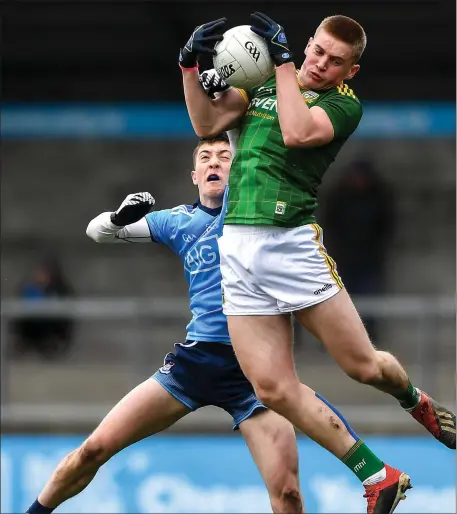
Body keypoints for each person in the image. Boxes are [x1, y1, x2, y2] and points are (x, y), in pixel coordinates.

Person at [179, 12, 456, 514]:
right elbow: (206, 123)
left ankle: (414, 399)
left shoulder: (344, 106)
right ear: (307, 44)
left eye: (335, 62)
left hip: (290, 247)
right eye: (316, 52)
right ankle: (378, 475)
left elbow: (297, 131)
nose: (320, 64)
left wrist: (283, 65)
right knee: (271, 388)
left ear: (350, 72)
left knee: (363, 366)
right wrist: (190, 68)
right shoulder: (263, 85)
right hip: (237, 251)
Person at [26, 133, 305, 514]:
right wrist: (118, 218)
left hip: (255, 371)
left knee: (288, 494)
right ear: (194, 175)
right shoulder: (178, 221)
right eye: (205, 157)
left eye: (225, 156)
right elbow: (97, 232)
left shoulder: (255, 209)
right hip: (197, 362)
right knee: (93, 450)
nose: (214, 162)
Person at [321, 159, 395, 340]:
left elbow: (386, 226)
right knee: (340, 300)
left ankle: (369, 337)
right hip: (343, 258)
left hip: (369, 259)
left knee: (369, 299)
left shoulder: (378, 197)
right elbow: (329, 226)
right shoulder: (338, 198)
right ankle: (340, 337)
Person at [13, 256, 75, 359]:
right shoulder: (32, 287)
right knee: (23, 318)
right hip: (35, 320)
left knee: (49, 320)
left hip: (53, 322)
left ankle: (50, 343)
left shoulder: (61, 289)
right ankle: (25, 343)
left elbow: (62, 309)